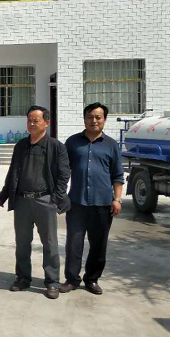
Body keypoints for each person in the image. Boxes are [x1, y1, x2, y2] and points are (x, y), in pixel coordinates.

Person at [0, 105, 71, 299]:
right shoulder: (21, 145)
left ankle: (52, 282)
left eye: (36, 120)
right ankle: (23, 278)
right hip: (22, 202)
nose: (31, 123)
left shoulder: (56, 146)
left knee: (50, 243)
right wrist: (3, 195)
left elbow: (64, 175)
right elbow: (13, 173)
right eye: (29, 120)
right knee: (22, 243)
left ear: (47, 122)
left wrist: (56, 199)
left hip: (45, 201)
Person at [60, 102, 125, 295]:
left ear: (104, 120)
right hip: (77, 202)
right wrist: (60, 195)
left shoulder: (111, 145)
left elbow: (118, 175)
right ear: (84, 119)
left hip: (103, 204)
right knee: (74, 243)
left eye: (98, 117)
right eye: (90, 117)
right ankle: (72, 279)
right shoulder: (72, 142)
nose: (94, 120)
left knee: (98, 244)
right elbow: (63, 171)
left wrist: (117, 199)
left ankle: (92, 279)